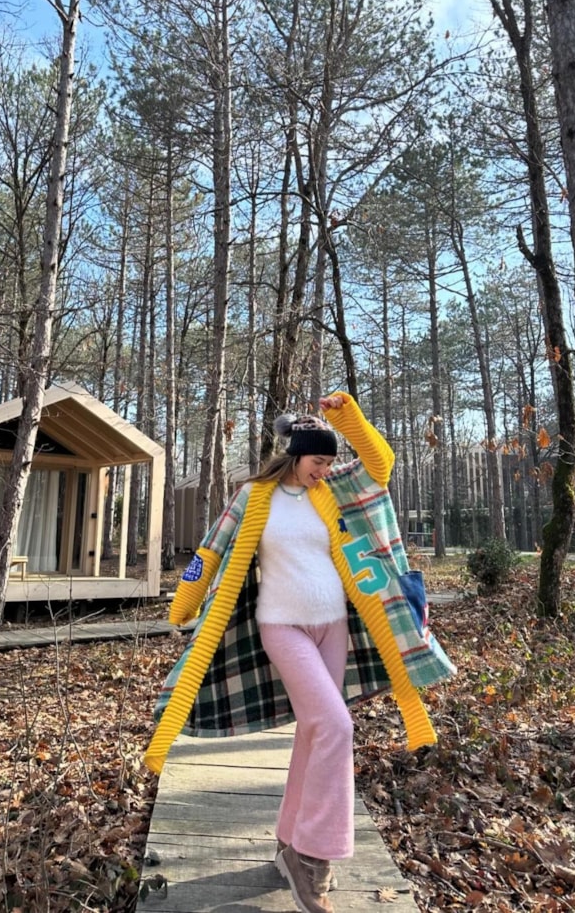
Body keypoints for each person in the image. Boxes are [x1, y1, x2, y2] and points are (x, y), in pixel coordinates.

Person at [144, 391, 455, 913]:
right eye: (318, 461)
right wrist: (185, 601)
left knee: (315, 732)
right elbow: (209, 550)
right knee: (337, 726)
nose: (324, 470)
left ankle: (291, 841)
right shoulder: (254, 496)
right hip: (282, 627)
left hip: (333, 627)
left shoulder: (338, 488)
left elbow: (381, 462)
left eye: (330, 462)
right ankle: (315, 856)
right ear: (295, 455)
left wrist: (347, 415)